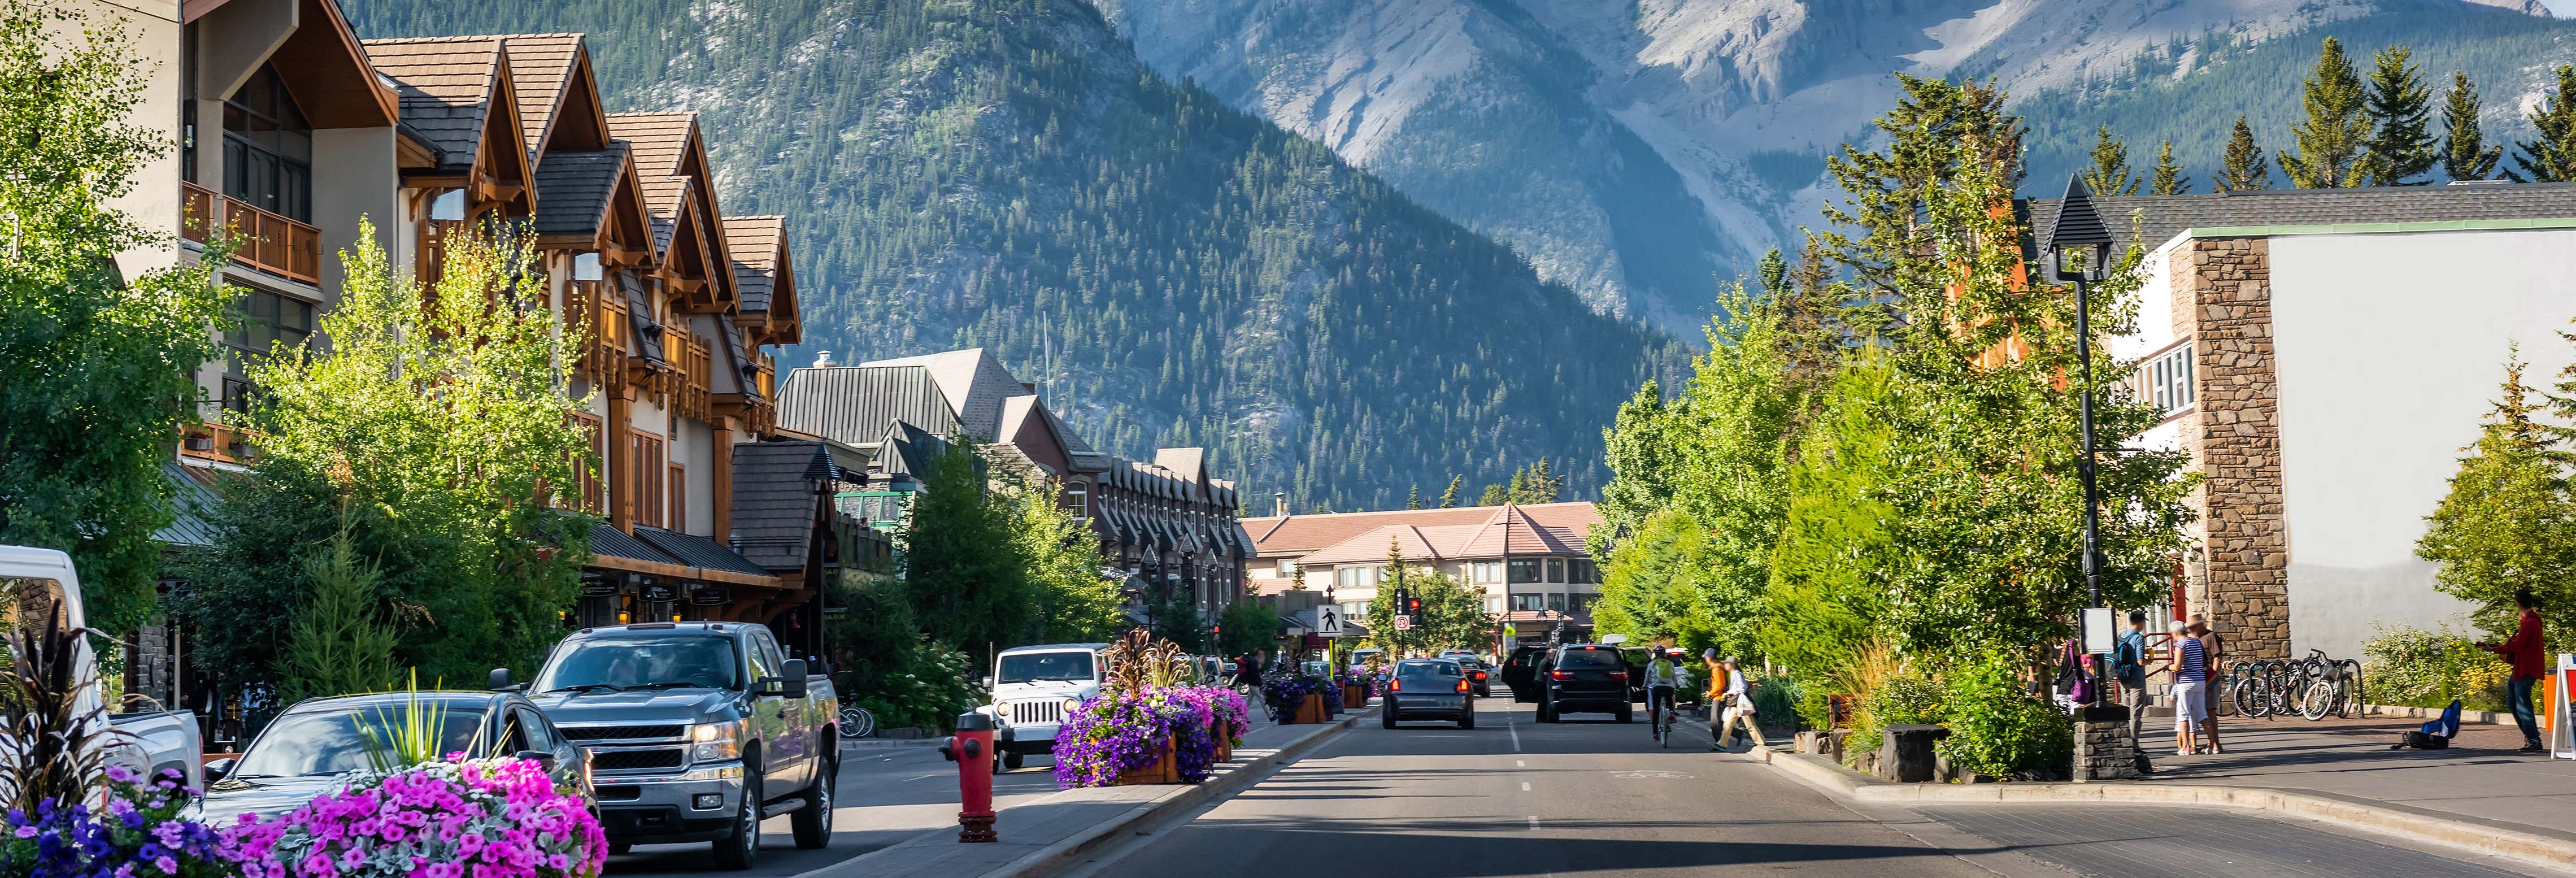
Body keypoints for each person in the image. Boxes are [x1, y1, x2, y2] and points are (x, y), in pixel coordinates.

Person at [2477, 589, 2548, 753]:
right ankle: (2530, 737)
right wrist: (2495, 647)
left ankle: (2534, 741)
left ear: (2518, 604)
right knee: (2514, 704)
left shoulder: (2530, 622)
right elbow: (2517, 644)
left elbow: (2517, 645)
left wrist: (2492, 649)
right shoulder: (2528, 621)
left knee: (2523, 707)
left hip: (2525, 670)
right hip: (2519, 669)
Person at [2168, 621, 2208, 755]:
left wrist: (2168, 667)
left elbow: (2177, 666)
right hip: (2200, 680)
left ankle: (2185, 748)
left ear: (2175, 633)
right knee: (2202, 714)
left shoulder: (2180, 644)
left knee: (2183, 714)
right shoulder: (2197, 642)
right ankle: (2214, 744)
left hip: (2186, 682)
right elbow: (2203, 661)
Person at [1714, 657, 1768, 753]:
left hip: (1741, 703)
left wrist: (1729, 692)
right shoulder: (1734, 674)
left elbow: (1743, 688)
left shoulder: (1737, 674)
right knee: (1728, 724)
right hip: (1737, 703)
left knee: (1749, 724)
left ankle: (1761, 743)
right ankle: (1722, 744)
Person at [2188, 614, 2223, 754]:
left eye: (2192, 627)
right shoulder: (2197, 638)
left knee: (2210, 710)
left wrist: (2212, 678)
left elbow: (2217, 658)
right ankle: (2212, 742)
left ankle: (2216, 743)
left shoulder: (2211, 636)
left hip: (2210, 677)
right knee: (2204, 711)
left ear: (2200, 625)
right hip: (2201, 677)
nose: (2190, 631)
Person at [2114, 611, 2151, 747]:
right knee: (2135, 712)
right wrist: (2150, 660)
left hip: (2123, 676)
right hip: (2137, 678)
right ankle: (2134, 743)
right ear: (2141, 622)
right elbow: (2140, 662)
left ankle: (2124, 740)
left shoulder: (2122, 635)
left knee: (2126, 710)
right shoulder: (2139, 638)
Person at [1644, 649, 1680, 741]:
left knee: (1656, 710)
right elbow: (1674, 676)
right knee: (1669, 697)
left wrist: (1645, 685)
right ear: (1665, 654)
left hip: (1657, 687)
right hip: (1669, 687)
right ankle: (1671, 712)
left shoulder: (1652, 664)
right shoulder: (1670, 663)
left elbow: (1647, 676)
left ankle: (1656, 735)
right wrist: (1676, 685)